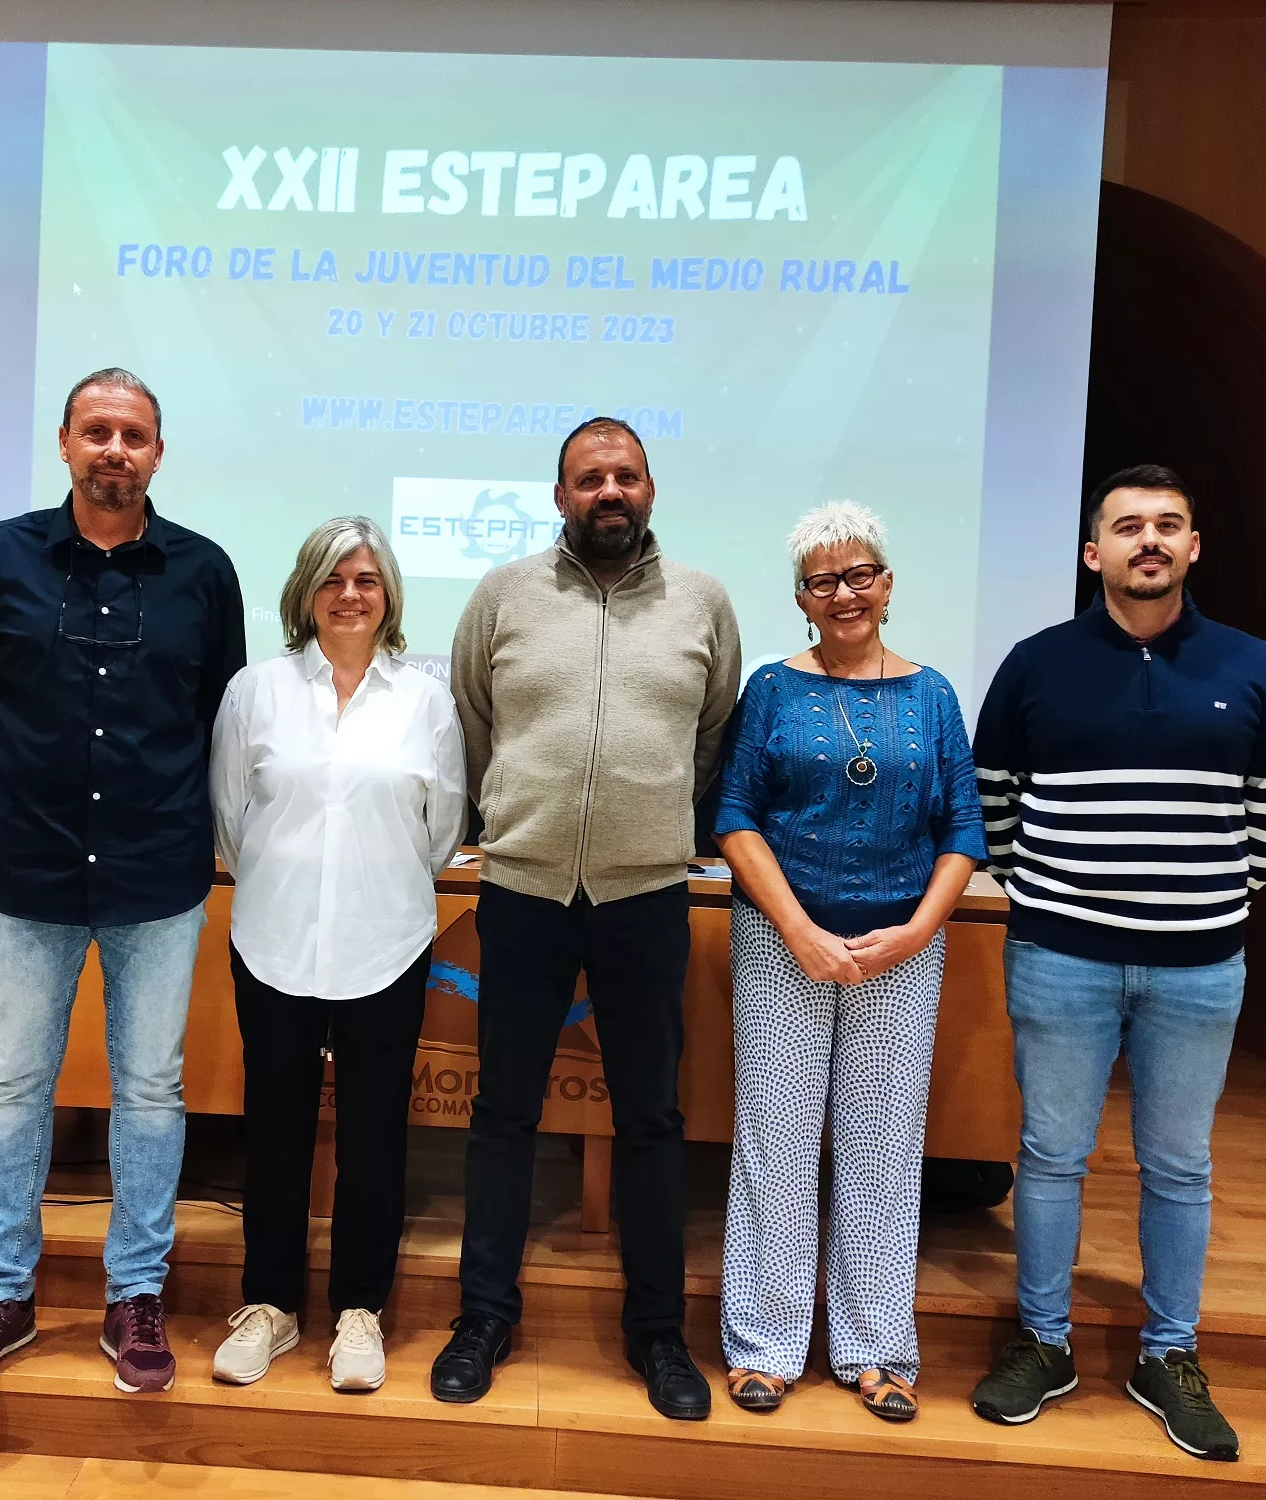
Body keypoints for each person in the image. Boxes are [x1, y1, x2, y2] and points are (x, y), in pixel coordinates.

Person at [970, 464, 1266, 1461]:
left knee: (1178, 1166)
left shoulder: (1252, 666)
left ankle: (1167, 1354)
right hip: (1059, 952)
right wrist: (1060, 890)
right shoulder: (1034, 664)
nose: (1145, 540)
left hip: (1198, 965)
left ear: (1191, 548)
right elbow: (993, 802)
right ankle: (1042, 1343)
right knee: (1047, 1156)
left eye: (1165, 526)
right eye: (1125, 527)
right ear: (1092, 553)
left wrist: (1194, 899)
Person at [0, 367, 246, 1399]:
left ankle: (134, 1295)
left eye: (135, 435)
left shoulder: (203, 571)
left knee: (149, 1090)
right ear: (64, 442)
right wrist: (27, 788)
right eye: (97, 431)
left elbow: (222, 720)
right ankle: (3, 1295)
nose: (116, 450)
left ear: (159, 453)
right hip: (27, 863)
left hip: (157, 869)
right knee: (13, 1086)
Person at [433, 416, 742, 1421]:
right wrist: (514, 818)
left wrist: (649, 824)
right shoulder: (503, 596)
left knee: (651, 1118)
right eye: (586, 478)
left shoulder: (701, 601)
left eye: (624, 476)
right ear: (557, 495)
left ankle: (657, 1334)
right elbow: (473, 725)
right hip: (521, 891)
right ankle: (483, 1316)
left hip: (643, 894)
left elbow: (710, 737)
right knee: (502, 1115)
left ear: (649, 489)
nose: (607, 490)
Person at [712, 501, 986, 1422]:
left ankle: (874, 1347)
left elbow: (963, 828)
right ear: (801, 598)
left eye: (860, 575)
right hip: (783, 941)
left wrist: (915, 931)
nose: (845, 594)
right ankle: (765, 1345)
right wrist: (796, 927)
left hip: (901, 952)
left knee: (880, 1149)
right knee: (775, 1146)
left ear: (888, 585)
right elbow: (736, 815)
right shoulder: (773, 690)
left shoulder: (936, 695)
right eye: (824, 581)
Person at [207, 516, 465, 1393]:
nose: (349, 594)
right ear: (305, 594)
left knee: (373, 1135)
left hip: (385, 944)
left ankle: (361, 1310)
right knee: (273, 1131)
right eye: (332, 579)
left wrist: (374, 884)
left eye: (366, 579)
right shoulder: (256, 691)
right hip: (273, 941)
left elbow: (442, 829)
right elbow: (232, 819)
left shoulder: (425, 700)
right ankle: (271, 1305)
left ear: (388, 593)